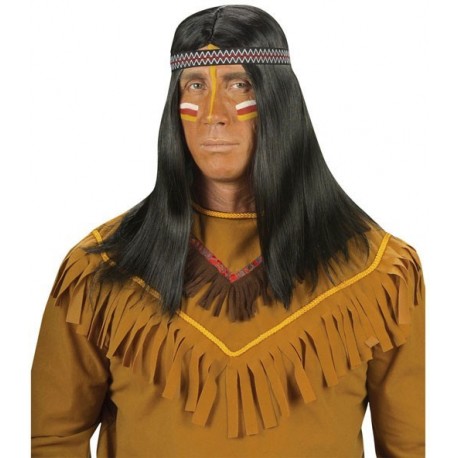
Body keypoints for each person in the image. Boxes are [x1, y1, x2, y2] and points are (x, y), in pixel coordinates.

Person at [31, 5, 425, 457]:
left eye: (240, 84)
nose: (212, 114)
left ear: (278, 100)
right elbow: (55, 437)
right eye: (195, 86)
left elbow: (410, 445)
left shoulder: (378, 273)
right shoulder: (102, 268)